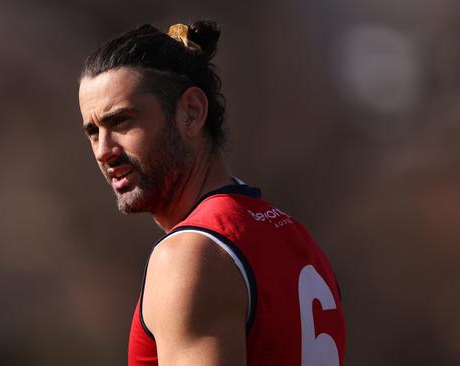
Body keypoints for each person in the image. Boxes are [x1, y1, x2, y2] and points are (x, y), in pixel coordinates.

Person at [78, 20, 346, 366]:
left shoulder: (189, 255)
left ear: (191, 112)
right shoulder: (296, 238)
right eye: (92, 131)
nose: (103, 150)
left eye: (121, 122)